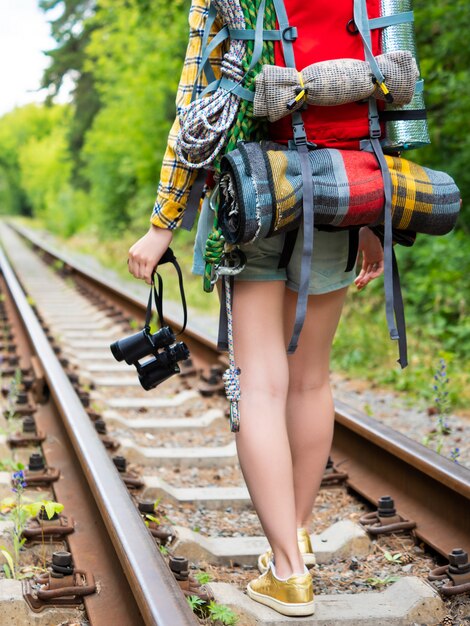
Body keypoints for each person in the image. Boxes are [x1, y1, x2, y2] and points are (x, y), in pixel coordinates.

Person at [128, 0, 385, 616]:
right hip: (344, 186)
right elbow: (392, 97)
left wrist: (164, 222)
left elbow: (197, 106)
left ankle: (290, 573)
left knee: (261, 385)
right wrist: (377, 207)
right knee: (311, 380)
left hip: (254, 192)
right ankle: (293, 539)